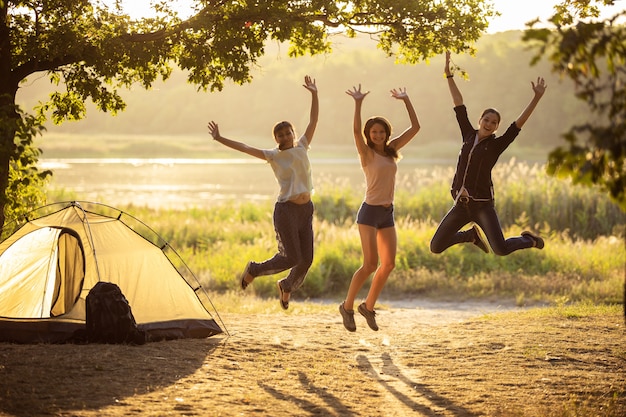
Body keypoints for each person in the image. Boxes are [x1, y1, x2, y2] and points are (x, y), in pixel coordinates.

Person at [207, 75, 318, 310]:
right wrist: (220, 138)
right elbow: (246, 148)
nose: (285, 137)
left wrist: (314, 93)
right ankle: (254, 269)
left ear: (293, 133)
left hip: (306, 209)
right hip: (286, 210)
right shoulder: (274, 155)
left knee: (306, 259)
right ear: (276, 139)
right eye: (281, 135)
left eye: (288, 133)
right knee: (291, 257)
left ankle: (286, 286)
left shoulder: (303, 146)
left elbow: (314, 119)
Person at [430, 51, 547, 257]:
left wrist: (536, 97)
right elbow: (459, 104)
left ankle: (529, 240)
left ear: (496, 127)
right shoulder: (467, 134)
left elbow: (518, 123)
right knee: (436, 246)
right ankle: (470, 236)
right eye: (486, 119)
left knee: (500, 249)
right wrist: (448, 75)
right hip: (460, 204)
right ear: (480, 120)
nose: (489, 124)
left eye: (494, 122)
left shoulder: (497, 145)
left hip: (483, 206)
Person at [339, 84, 420, 332]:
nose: (377, 135)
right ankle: (347, 306)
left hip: (387, 213)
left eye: (381, 131)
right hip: (369, 213)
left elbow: (416, 128)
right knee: (370, 264)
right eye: (373, 132)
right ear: (369, 134)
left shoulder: (392, 150)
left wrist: (406, 100)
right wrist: (358, 102)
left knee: (389, 264)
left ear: (386, 133)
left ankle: (368, 307)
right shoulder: (366, 153)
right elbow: (355, 129)